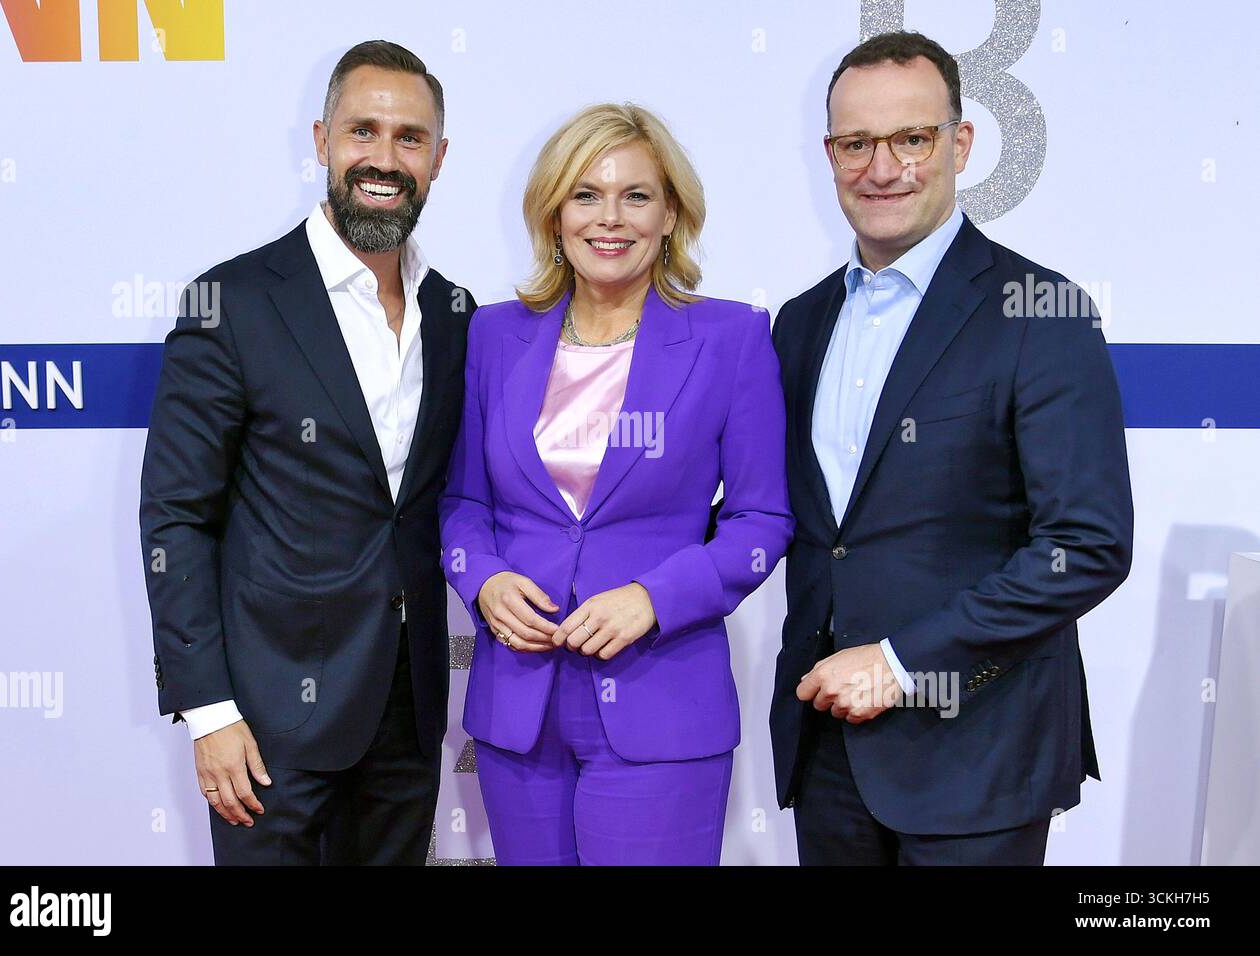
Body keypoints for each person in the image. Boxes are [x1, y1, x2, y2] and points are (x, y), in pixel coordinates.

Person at [771, 31, 1134, 865]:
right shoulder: (800, 322)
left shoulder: (1040, 311)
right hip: (827, 750)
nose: (882, 166)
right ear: (829, 154)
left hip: (980, 755)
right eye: (856, 143)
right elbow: (792, 516)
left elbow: (1085, 546)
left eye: (912, 138)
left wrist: (902, 663)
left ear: (960, 143)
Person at [140, 40, 476, 865]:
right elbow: (176, 518)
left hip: (406, 711)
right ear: (323, 141)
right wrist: (209, 711)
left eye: (409, 138)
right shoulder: (233, 302)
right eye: (364, 131)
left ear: (439, 157)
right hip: (266, 726)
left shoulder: (459, 312)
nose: (384, 159)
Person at [439, 103, 793, 865]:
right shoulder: (495, 334)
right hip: (518, 708)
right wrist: (485, 582)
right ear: (553, 211)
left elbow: (762, 522)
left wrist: (655, 599)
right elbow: (463, 504)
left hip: (660, 702)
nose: (610, 218)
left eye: (636, 195)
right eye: (585, 194)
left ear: (672, 213)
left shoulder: (731, 337)